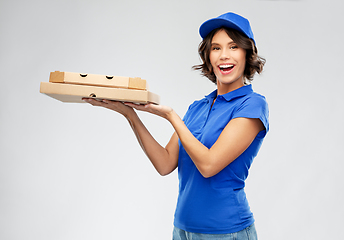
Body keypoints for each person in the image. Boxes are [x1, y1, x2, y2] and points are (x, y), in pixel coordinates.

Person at [83, 12, 268, 240]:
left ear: (247, 53)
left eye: (233, 47)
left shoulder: (252, 105)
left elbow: (209, 165)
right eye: (216, 48)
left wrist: (171, 116)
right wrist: (129, 114)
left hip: (226, 231)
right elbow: (164, 164)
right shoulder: (197, 107)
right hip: (182, 230)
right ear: (208, 56)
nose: (224, 56)